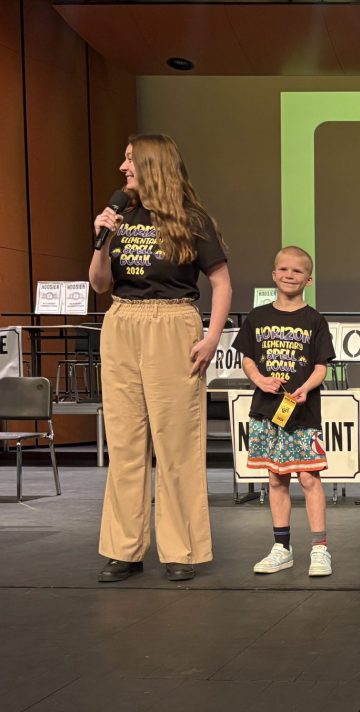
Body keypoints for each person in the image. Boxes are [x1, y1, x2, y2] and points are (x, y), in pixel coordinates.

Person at [89, 134, 231, 582]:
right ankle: (123, 549)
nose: (121, 167)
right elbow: (98, 284)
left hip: (172, 323)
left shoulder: (192, 218)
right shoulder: (121, 216)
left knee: (176, 443)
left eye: (129, 159)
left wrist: (211, 339)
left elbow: (222, 283)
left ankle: (181, 549)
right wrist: (100, 241)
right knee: (126, 441)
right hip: (122, 321)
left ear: (152, 164)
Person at [233, 246, 335, 577]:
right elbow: (247, 356)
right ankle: (282, 547)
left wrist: (306, 386)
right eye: (284, 269)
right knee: (276, 478)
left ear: (309, 278)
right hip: (266, 411)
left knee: (308, 478)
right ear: (274, 274)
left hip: (302, 414)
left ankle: (319, 549)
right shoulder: (258, 316)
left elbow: (321, 366)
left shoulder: (314, 319)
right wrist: (259, 378)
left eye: (297, 271)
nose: (290, 275)